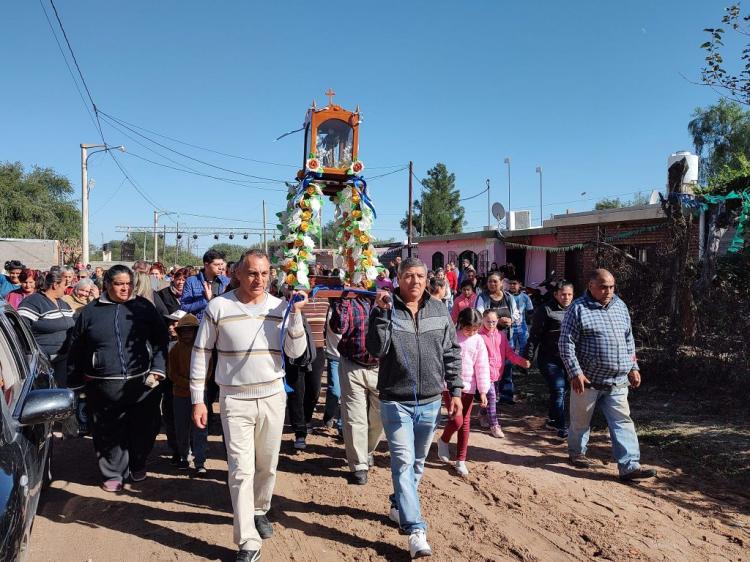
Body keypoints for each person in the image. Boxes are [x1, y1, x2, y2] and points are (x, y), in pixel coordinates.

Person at [190, 249, 308, 562]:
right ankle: (247, 540)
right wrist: (198, 400)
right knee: (241, 470)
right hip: (234, 399)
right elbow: (201, 353)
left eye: (264, 273)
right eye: (252, 273)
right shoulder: (218, 306)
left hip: (272, 397)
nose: (258, 280)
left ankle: (259, 509)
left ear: (271, 275)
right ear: (237, 274)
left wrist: (295, 316)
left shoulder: (281, 307)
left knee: (267, 464)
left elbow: (295, 352)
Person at [366, 257, 463, 559]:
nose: (416, 281)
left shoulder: (439, 310)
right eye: (408, 276)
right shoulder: (386, 307)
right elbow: (375, 349)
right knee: (404, 462)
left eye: (420, 276)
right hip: (396, 400)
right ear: (397, 278)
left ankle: (398, 504)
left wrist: (456, 390)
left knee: (418, 461)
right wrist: (381, 315)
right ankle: (415, 529)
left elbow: (451, 352)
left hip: (432, 401)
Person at [66, 265, 168, 491]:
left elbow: (161, 338)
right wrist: (75, 383)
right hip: (102, 386)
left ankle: (138, 463)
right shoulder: (90, 312)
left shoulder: (143, 307)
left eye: (129, 284)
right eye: (119, 284)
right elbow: (77, 349)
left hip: (143, 383)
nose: (125, 288)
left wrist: (158, 369)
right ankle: (113, 473)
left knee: (145, 426)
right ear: (107, 285)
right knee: (108, 431)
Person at [559, 269, 656, 481]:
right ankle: (576, 453)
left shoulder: (620, 306)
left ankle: (630, 466)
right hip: (588, 381)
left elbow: (629, 340)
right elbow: (566, 344)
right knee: (580, 422)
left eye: (611, 286)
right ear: (590, 285)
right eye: (603, 286)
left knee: (622, 421)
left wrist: (634, 367)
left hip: (618, 381)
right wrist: (575, 373)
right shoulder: (577, 309)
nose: (608, 291)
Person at [329, 288, 383, 485]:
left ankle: (367, 450)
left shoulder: (385, 297)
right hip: (353, 364)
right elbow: (338, 327)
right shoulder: (349, 302)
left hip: (380, 367)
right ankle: (359, 465)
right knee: (354, 417)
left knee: (379, 418)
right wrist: (343, 301)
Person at [436, 308, 490, 476]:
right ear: (460, 323)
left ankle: (461, 460)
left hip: (469, 387)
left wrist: (483, 390)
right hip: (451, 385)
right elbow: (441, 359)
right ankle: (444, 439)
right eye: (469, 329)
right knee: (457, 421)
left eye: (475, 329)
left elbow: (482, 366)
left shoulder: (479, 341)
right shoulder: (452, 335)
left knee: (465, 423)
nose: (472, 332)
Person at [525, 280, 574, 438]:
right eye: (563, 294)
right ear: (556, 294)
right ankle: (560, 426)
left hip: (568, 359)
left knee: (562, 390)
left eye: (569, 295)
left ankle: (552, 420)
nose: (566, 297)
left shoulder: (576, 310)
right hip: (549, 359)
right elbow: (534, 336)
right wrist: (528, 357)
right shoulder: (545, 310)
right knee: (558, 388)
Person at [478, 309, 530, 438]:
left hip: (497, 373)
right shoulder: (479, 336)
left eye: (494, 321)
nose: (491, 324)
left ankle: (482, 414)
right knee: (492, 398)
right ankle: (494, 425)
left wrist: (521, 361)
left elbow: (509, 353)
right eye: (488, 321)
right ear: (483, 320)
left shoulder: (501, 335)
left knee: (492, 397)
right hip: (485, 374)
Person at [18, 269, 75, 385]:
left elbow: (74, 321)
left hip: (62, 360)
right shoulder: (33, 302)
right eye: (65, 285)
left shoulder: (63, 304)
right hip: (42, 364)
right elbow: (20, 331)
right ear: (55, 285)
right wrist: (39, 355)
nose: (67, 288)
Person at [169, 313, 209, 475]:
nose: (187, 334)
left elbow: (209, 370)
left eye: (190, 331)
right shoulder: (175, 350)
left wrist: (197, 386)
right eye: (183, 331)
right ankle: (184, 456)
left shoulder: (202, 349)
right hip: (180, 394)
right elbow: (172, 373)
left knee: (200, 428)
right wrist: (189, 384)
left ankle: (200, 461)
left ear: (196, 331)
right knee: (181, 428)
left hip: (200, 396)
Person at [475, 271, 520, 404]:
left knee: (506, 365)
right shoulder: (483, 297)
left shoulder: (508, 297)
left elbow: (516, 313)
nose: (492, 284)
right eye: (490, 281)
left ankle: (506, 395)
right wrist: (497, 321)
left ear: (501, 283)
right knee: (486, 365)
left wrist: (511, 320)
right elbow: (479, 314)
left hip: (505, 338)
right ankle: (484, 394)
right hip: (487, 339)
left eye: (495, 281)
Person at [283, 286, 318, 450]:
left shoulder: (322, 301)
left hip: (316, 350)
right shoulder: (284, 305)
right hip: (293, 352)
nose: (298, 292)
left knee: (314, 391)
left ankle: (306, 419)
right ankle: (300, 431)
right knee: (297, 392)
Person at [181, 250, 230, 321]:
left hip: (221, 324)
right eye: (216, 265)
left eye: (221, 264)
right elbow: (184, 307)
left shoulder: (226, 281)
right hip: (199, 325)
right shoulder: (191, 281)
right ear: (206, 265)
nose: (220, 268)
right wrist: (205, 300)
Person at [322, 303, 343, 437]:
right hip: (333, 355)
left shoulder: (355, 306)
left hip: (349, 357)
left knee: (347, 393)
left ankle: (341, 425)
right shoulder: (327, 307)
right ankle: (329, 416)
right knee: (335, 390)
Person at [507, 277, 534, 359]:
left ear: (519, 285)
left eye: (514, 284)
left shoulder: (525, 297)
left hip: (522, 328)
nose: (512, 285)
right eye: (510, 284)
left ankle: (521, 366)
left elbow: (530, 311)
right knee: (510, 349)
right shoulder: (505, 296)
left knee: (524, 348)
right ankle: (509, 368)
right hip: (509, 328)